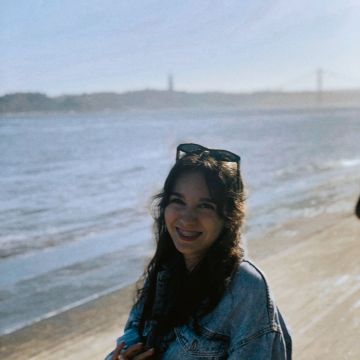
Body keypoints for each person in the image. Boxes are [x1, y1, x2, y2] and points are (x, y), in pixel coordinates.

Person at [106, 143, 292, 359]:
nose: (187, 218)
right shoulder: (164, 272)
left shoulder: (245, 288)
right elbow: (130, 337)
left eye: (205, 206)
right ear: (164, 207)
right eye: (178, 201)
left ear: (228, 217)